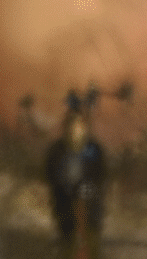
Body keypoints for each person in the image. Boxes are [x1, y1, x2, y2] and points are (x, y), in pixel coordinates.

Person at [45, 108, 107, 259]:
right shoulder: (57, 150)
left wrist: (90, 188)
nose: (75, 129)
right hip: (65, 206)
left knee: (91, 244)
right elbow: (51, 174)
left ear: (84, 127)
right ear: (65, 128)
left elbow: (101, 173)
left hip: (90, 208)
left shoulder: (94, 148)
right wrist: (66, 189)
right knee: (68, 244)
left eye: (78, 126)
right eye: (71, 126)